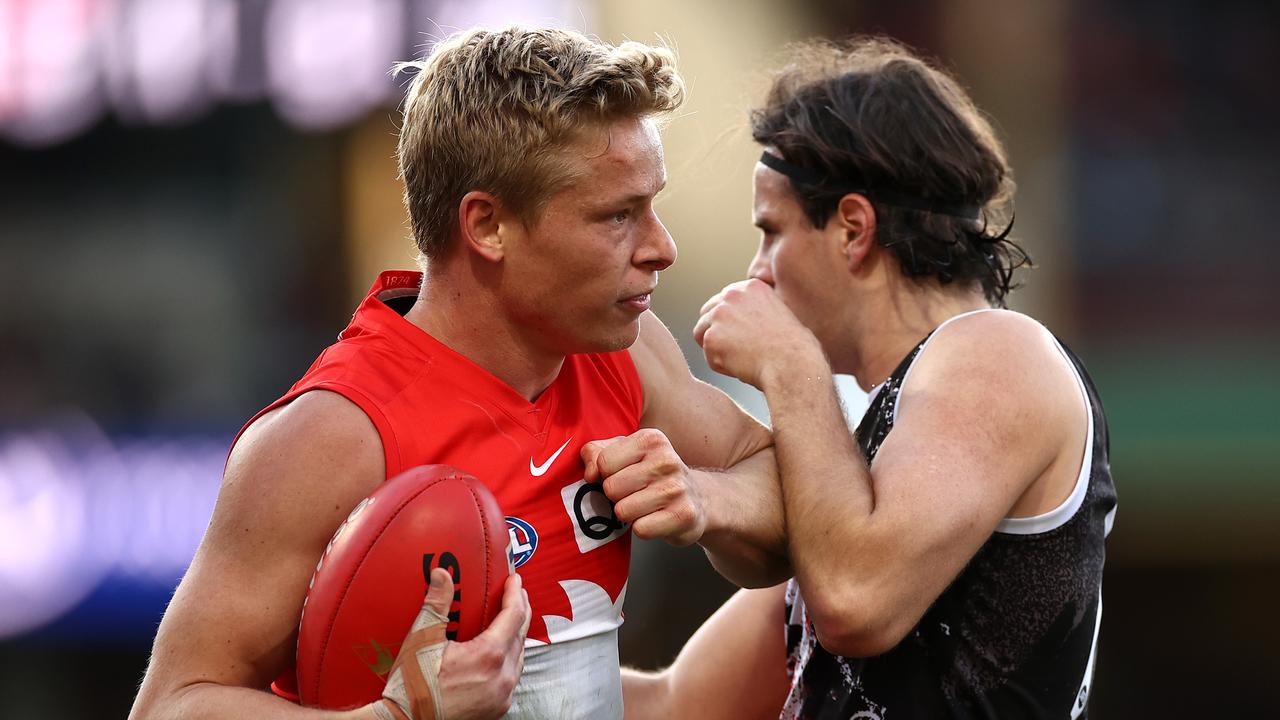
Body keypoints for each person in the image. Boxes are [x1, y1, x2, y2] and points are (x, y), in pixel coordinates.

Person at [129, 27, 786, 720]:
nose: (663, 248)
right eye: (617, 216)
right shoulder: (335, 435)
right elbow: (171, 706)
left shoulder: (621, 348)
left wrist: (708, 501)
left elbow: (782, 508)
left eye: (652, 206)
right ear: (487, 225)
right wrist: (398, 717)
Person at [624, 36, 1118, 719]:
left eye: (772, 231)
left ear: (854, 229)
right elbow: (674, 704)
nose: (756, 271)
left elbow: (856, 601)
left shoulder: (999, 350)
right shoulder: (857, 468)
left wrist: (789, 363)